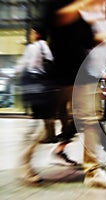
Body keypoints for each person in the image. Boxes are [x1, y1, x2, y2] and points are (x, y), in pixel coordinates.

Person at [43, 0, 106, 188]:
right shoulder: (70, 9)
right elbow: (60, 18)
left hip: (85, 76)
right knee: (44, 128)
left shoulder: (91, 18)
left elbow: (98, 42)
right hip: (60, 76)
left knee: (91, 120)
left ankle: (94, 170)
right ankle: (43, 155)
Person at [17, 25, 59, 183]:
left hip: (31, 90)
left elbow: (21, 67)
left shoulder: (33, 47)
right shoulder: (42, 47)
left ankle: (26, 161)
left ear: (37, 33)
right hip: (40, 90)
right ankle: (26, 163)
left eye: (34, 32)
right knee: (42, 126)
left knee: (38, 124)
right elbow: (50, 63)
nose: (32, 34)